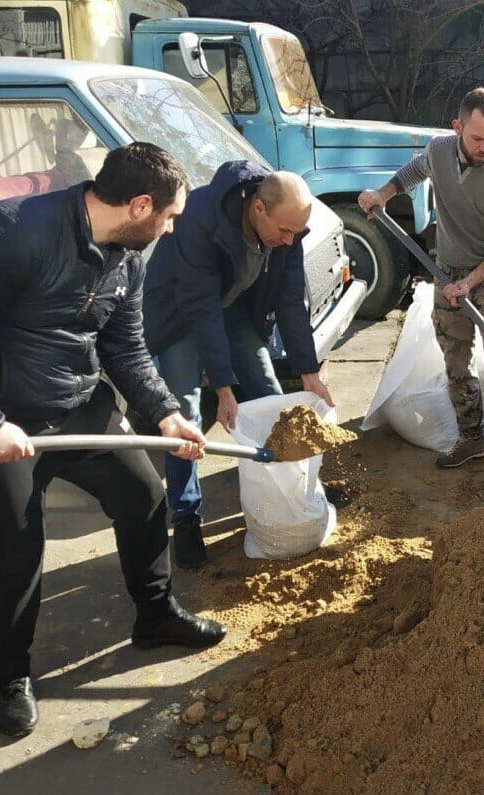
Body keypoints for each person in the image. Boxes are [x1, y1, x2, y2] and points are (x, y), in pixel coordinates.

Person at [0, 143, 227, 739]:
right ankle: (10, 674)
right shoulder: (12, 233)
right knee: (17, 546)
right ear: (140, 205)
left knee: (144, 496)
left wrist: (163, 413)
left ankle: (155, 616)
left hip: (77, 403)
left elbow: (124, 347)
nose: (174, 225)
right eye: (171, 215)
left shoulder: (130, 253)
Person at [143, 162, 334, 569]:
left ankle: (294, 493)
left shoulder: (287, 225)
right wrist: (224, 387)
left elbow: (290, 297)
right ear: (259, 209)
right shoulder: (199, 217)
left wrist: (308, 370)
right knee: (186, 413)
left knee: (270, 394)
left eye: (295, 235)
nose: (288, 241)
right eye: (283, 232)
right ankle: (186, 516)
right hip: (181, 310)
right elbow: (200, 305)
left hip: (230, 306)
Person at [357, 87, 484, 503]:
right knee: (456, 365)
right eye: (477, 138)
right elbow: (414, 172)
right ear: (458, 127)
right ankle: (472, 438)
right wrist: (383, 194)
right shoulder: (439, 151)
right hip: (446, 274)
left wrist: (469, 283)